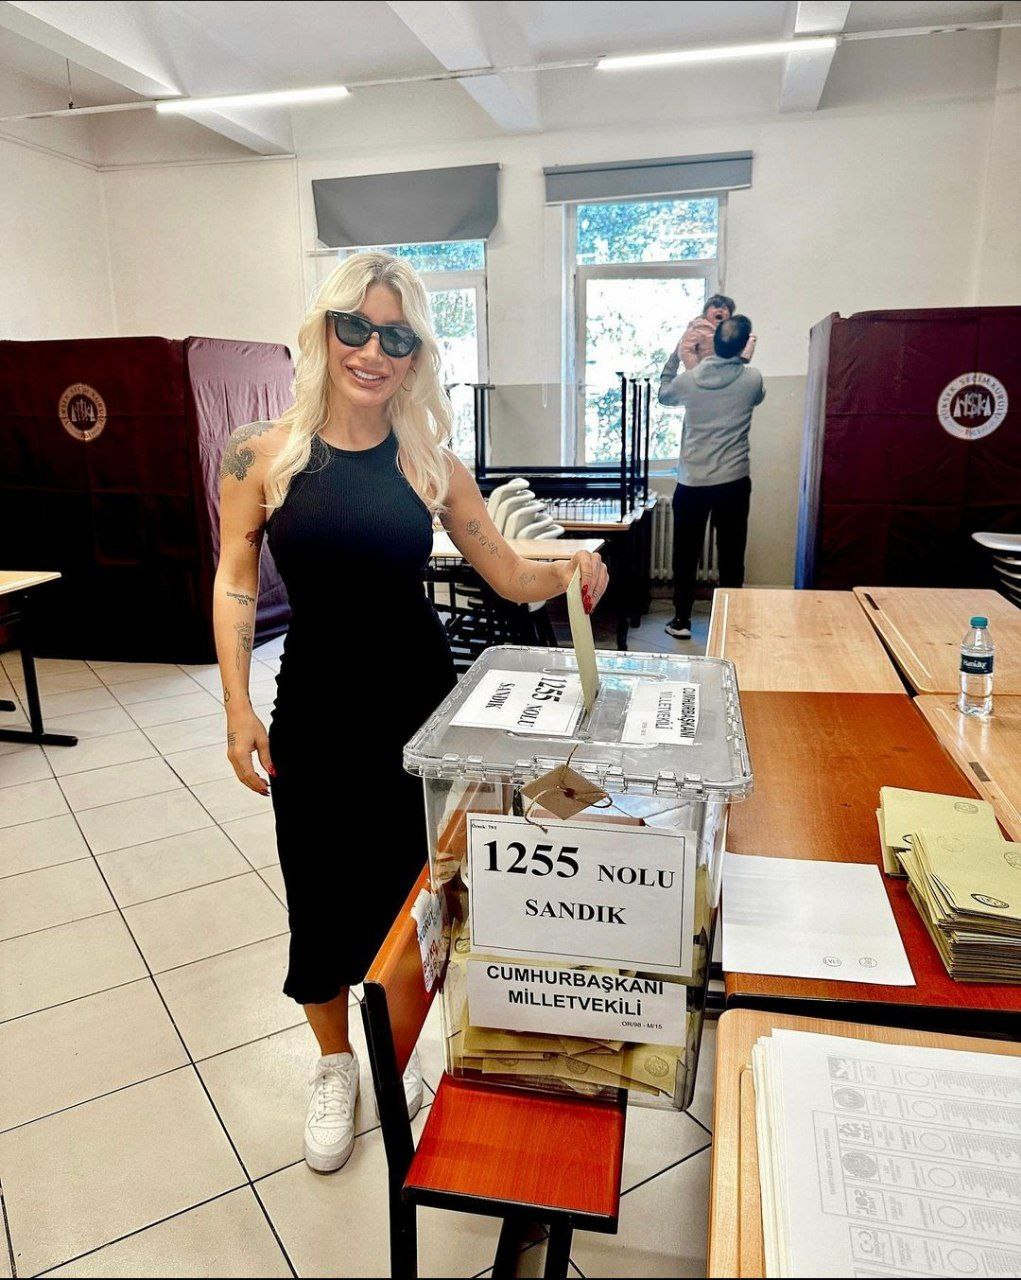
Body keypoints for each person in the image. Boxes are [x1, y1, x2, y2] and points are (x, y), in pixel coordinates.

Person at [213, 252, 608, 1174]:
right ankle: (334, 1066)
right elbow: (235, 579)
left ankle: (416, 1048)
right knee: (320, 895)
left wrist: (573, 567)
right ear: (323, 332)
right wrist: (235, 705)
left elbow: (507, 573)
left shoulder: (428, 461)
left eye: (395, 337)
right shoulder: (261, 455)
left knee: (424, 890)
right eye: (354, 327)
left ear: (417, 353)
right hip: (316, 709)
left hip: (422, 708)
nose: (371, 351)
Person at [657, 314, 764, 639]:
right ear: (744, 347)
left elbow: (663, 394)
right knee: (731, 554)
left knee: (685, 554)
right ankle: (731, 623)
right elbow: (756, 396)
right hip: (733, 482)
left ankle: (681, 621)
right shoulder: (752, 378)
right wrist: (742, 360)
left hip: (693, 483)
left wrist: (676, 355)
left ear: (713, 343)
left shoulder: (689, 381)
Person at [677, 293, 756, 370]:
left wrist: (749, 343)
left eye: (724, 308)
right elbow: (686, 350)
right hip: (703, 371)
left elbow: (741, 354)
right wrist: (696, 370)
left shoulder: (730, 333)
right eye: (716, 307)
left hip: (726, 371)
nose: (720, 310)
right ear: (706, 312)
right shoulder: (698, 328)